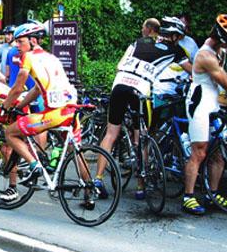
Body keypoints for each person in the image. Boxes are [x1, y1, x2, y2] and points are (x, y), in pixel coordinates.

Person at [95, 18, 190, 200]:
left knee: (111, 134)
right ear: (175, 36)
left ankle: (98, 179)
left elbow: (119, 65)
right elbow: (194, 70)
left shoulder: (139, 41)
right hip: (140, 89)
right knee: (141, 138)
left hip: (119, 84)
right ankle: (140, 185)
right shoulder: (176, 50)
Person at [0, 22, 78, 202]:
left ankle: (34, 165)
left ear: (33, 41)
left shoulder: (28, 57)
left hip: (54, 113)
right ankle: (91, 190)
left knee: (10, 132)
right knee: (75, 149)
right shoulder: (51, 57)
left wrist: (6, 106)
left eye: (20, 41)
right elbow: (36, 89)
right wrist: (19, 106)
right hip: (71, 109)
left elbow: (18, 88)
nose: (16, 45)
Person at [182, 15, 227, 215]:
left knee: (218, 151)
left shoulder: (219, 50)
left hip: (214, 102)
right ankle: (188, 196)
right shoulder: (206, 56)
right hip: (199, 103)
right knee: (199, 151)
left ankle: (212, 194)